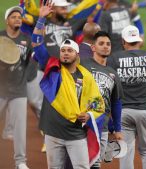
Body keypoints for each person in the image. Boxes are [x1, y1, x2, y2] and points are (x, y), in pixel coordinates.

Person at [32, 2, 105, 168]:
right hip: (52, 132)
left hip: (76, 133)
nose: (65, 53)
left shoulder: (85, 76)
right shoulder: (51, 67)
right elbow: (37, 43)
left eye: (69, 50)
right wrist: (41, 19)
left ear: (77, 54)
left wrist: (89, 116)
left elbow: (97, 104)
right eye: (63, 50)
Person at [107, 25, 146, 169]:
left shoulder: (114, 58)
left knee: (125, 152)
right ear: (139, 40)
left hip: (123, 113)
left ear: (123, 42)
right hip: (145, 111)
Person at [80, 31, 124, 169]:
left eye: (108, 44)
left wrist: (117, 129)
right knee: (78, 163)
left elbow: (116, 102)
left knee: (95, 164)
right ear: (93, 47)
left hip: (102, 126)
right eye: (101, 44)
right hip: (81, 124)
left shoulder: (113, 73)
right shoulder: (82, 64)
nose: (105, 46)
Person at [0, 6, 35, 169]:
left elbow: (28, 62)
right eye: (14, 17)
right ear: (7, 20)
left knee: (20, 129)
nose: (17, 19)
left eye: (19, 17)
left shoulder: (26, 40)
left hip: (18, 90)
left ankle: (20, 162)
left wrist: (25, 78)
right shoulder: (0, 37)